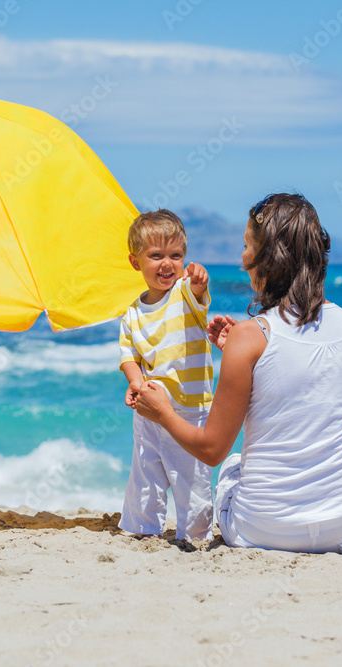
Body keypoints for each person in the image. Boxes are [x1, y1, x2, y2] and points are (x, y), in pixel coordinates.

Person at [134, 194, 342, 553]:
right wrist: (244, 357)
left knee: (233, 467)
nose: (241, 256)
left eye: (246, 246)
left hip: (263, 528)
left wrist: (162, 413)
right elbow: (306, 391)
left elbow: (211, 450)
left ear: (267, 258)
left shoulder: (250, 337)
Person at [117, 209, 215, 540]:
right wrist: (135, 382)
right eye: (156, 255)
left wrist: (199, 281)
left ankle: (195, 534)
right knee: (145, 472)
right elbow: (128, 354)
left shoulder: (184, 294)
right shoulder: (132, 313)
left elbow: (199, 294)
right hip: (149, 407)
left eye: (176, 255)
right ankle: (142, 529)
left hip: (187, 408)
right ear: (136, 262)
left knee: (190, 476)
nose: (167, 264)